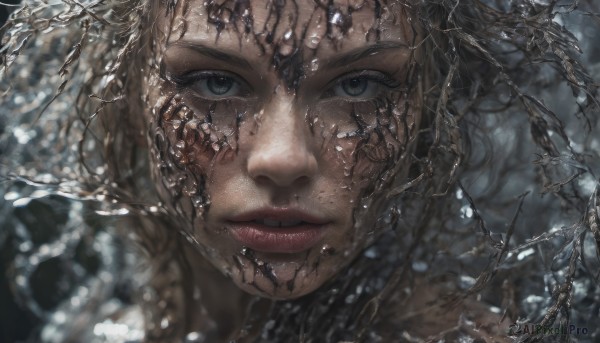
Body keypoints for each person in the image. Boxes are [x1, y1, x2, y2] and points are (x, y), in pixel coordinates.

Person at [1, 0, 599, 342]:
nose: (283, 157)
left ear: (429, 118)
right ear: (125, 99)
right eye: (215, 82)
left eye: (359, 85)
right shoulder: (94, 333)